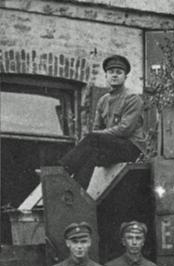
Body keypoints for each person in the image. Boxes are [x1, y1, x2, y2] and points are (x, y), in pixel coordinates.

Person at [59, 54, 147, 188]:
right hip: (112, 146)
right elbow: (96, 127)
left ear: (125, 77)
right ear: (106, 76)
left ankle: (62, 170)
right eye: (111, 72)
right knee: (92, 157)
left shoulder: (132, 99)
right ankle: (76, 192)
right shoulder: (103, 100)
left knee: (93, 138)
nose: (115, 75)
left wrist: (99, 134)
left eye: (119, 72)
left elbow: (125, 129)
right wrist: (98, 134)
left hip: (131, 148)